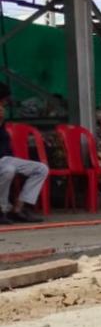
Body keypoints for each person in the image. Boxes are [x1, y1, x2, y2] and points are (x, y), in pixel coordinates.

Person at [0, 84, 47, 224]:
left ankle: (18, 209)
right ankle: (2, 209)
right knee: (9, 170)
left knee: (41, 169)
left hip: (6, 158)